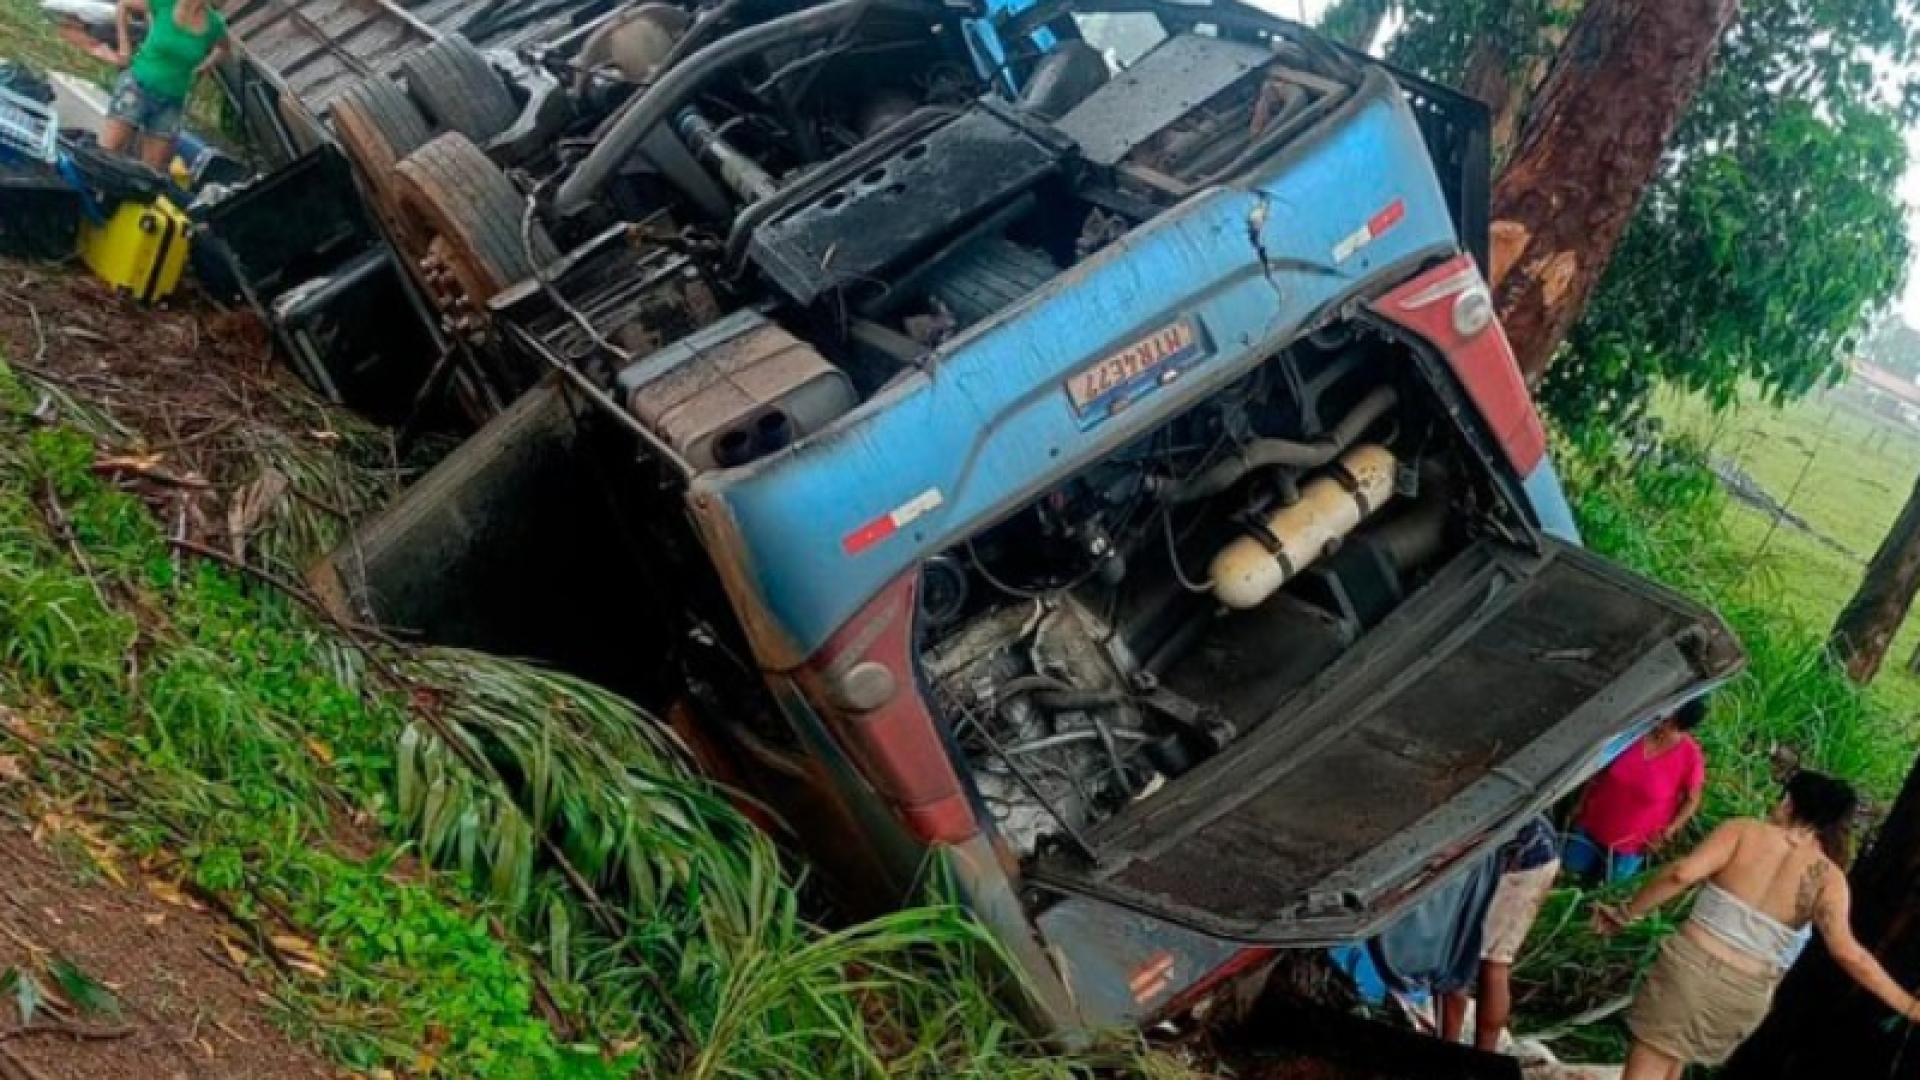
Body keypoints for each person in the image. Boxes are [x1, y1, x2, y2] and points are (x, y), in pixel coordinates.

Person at [1594, 771, 1920, 1080]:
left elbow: (1683, 873)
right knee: (1673, 1063)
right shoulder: (1830, 880)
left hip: (1690, 971)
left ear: (1788, 803)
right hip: (1744, 993)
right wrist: (1908, 1005)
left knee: (1647, 1068)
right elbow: (1850, 954)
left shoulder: (1744, 831)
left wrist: (1625, 913)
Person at [1441, 814, 1560, 1050]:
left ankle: (1449, 1047)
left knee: (1456, 959)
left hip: (1511, 852)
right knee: (1496, 963)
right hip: (1540, 848)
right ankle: (1485, 1051)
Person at [1564, 700, 1708, 883]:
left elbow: (1692, 800)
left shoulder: (1690, 757)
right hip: (1592, 821)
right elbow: (1599, 769)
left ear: (1676, 721)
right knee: (1568, 874)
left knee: (1605, 888)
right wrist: (1580, 802)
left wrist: (1668, 832)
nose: (1661, 721)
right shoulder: (1635, 732)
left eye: (1669, 718)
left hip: (1634, 843)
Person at [102, 0, 229, 170]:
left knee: (151, 171)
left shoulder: (214, 24)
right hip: (137, 88)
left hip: (172, 103)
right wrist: (124, 45)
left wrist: (204, 66)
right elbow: (124, 5)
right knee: (108, 152)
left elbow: (224, 48)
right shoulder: (164, 3)